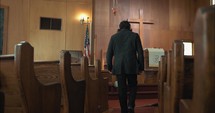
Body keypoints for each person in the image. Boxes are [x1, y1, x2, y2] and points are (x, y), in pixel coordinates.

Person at [106, 20, 144, 113]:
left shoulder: (114, 37)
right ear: (129, 28)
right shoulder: (135, 36)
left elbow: (109, 54)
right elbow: (140, 53)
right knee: (133, 86)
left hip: (119, 66)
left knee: (121, 89)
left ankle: (124, 109)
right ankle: (130, 105)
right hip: (131, 65)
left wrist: (110, 67)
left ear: (119, 28)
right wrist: (140, 67)